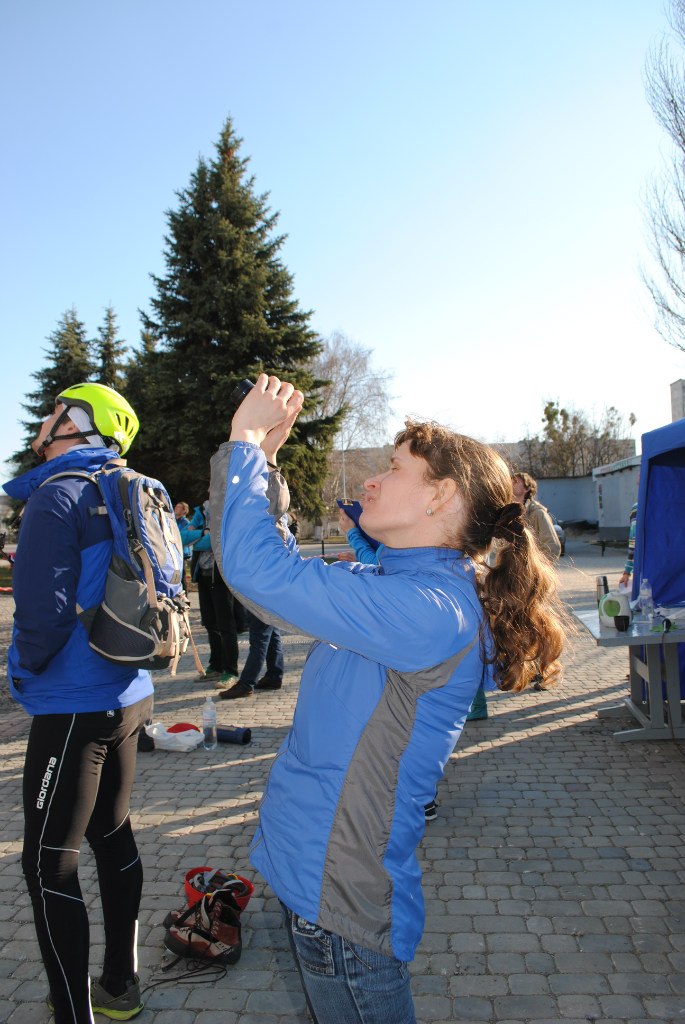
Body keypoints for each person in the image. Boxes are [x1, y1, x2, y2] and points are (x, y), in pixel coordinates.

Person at [209, 374, 566, 1024]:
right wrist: (262, 461)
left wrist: (244, 440)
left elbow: (261, 571)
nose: (370, 480)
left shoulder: (430, 611)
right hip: (313, 876)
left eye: (394, 467)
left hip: (341, 896)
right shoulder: (389, 582)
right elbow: (269, 579)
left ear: (441, 496)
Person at [4, 382, 153, 1023]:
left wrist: (21, 672)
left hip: (72, 702)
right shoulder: (130, 488)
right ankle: (119, 986)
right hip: (130, 692)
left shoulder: (55, 495)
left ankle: (73, 1014)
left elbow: (40, 616)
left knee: (48, 868)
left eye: (53, 411)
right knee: (113, 835)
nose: (43, 421)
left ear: (78, 423)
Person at [192, 498, 240, 689]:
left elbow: (214, 542)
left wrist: (199, 537)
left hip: (220, 577)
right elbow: (180, 536)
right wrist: (203, 534)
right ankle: (216, 665)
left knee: (226, 625)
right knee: (210, 623)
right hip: (203, 575)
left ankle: (231, 670)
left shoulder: (227, 509)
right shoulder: (201, 511)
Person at [511, 471, 562, 561]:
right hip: (511, 571)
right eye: (511, 481)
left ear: (527, 488)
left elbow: (552, 547)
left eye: (515, 481)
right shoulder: (507, 514)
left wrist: (536, 568)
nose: (511, 483)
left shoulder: (538, 513)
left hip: (532, 571)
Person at [619, 501, 638, 589]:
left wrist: (627, 572)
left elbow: (633, 540)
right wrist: (627, 572)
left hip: (645, 569)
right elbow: (633, 540)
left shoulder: (637, 508)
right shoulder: (637, 508)